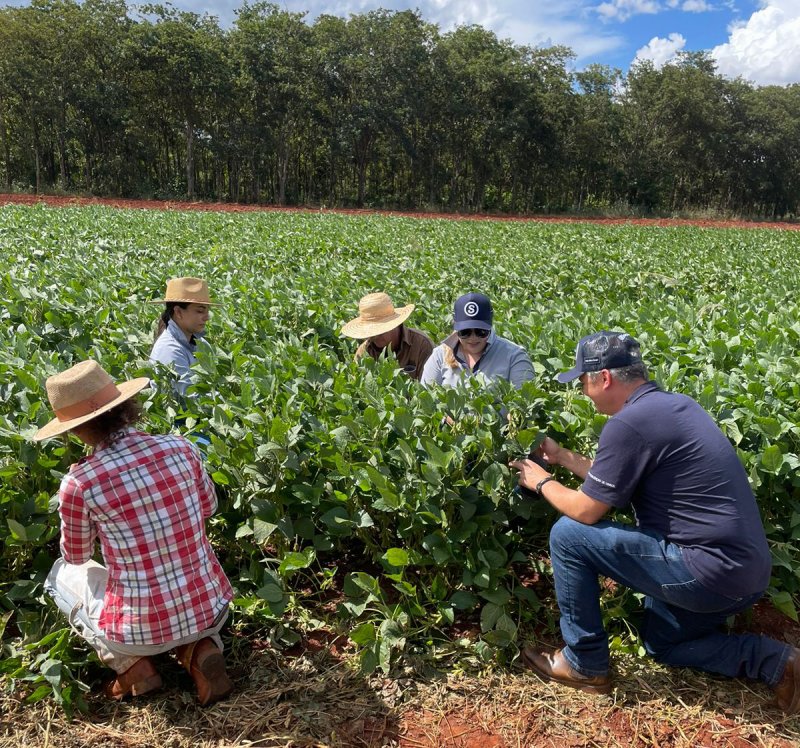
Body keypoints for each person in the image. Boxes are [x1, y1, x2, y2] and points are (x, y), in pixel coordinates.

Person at [510, 330, 799, 714]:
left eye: (583, 383)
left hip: (706, 572)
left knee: (568, 535)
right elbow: (611, 482)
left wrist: (540, 481)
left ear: (605, 378)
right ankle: (780, 662)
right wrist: (562, 456)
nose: (583, 392)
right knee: (664, 644)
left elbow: (586, 511)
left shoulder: (627, 424)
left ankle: (584, 664)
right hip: (744, 575)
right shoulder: (674, 406)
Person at [34, 360, 234, 706]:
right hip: (210, 609)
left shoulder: (80, 482)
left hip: (138, 632)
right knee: (180, 589)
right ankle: (199, 649)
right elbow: (208, 508)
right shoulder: (181, 447)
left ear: (75, 430)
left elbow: (76, 556)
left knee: (60, 575)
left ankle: (131, 665)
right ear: (127, 407)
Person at [421, 292, 534, 388]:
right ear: (455, 327)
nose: (473, 337)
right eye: (465, 332)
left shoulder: (514, 356)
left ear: (490, 325)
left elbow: (523, 405)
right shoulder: (440, 356)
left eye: (481, 331)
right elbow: (426, 404)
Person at [341, 292, 434, 381]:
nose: (375, 336)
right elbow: (358, 387)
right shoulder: (363, 352)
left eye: (380, 331)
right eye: (371, 332)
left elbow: (432, 386)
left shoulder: (421, 344)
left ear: (395, 325)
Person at [149, 277, 217, 397]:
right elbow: (190, 398)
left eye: (207, 311)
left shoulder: (201, 343)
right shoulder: (169, 349)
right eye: (200, 311)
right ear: (178, 312)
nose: (207, 317)